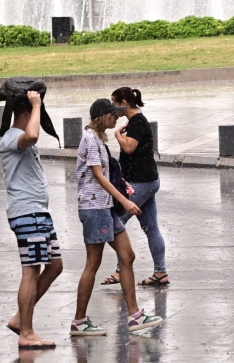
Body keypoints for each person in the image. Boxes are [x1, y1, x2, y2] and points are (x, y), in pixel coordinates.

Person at [72, 99, 164, 336]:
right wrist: (125, 201)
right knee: (93, 264)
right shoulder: (91, 139)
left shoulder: (98, 139)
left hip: (105, 207)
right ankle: (79, 321)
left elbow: (106, 174)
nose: (117, 118)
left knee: (127, 255)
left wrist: (122, 184)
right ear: (103, 116)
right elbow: (98, 176)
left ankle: (135, 316)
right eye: (114, 114)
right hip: (95, 208)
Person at [0, 91, 63, 350]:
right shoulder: (13, 138)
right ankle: (26, 331)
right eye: (34, 113)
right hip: (26, 213)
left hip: (38, 213)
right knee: (31, 271)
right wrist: (37, 104)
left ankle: (19, 319)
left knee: (55, 266)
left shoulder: (19, 140)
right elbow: (33, 134)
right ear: (26, 114)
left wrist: (35, 106)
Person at [102, 87, 169, 287]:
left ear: (124, 102)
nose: (113, 108)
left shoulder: (138, 122)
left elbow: (129, 147)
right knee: (151, 227)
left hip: (142, 183)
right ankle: (160, 272)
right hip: (147, 181)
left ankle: (121, 271)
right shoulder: (134, 122)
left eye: (114, 103)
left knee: (116, 223)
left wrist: (117, 135)